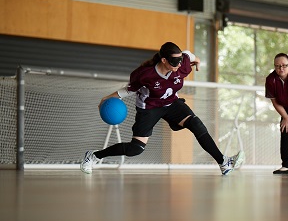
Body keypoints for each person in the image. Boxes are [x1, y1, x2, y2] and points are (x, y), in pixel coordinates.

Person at [81, 42, 244, 175]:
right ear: (164, 60)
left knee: (196, 124)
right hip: (149, 108)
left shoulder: (181, 64)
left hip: (171, 103)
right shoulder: (145, 75)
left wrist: (198, 60)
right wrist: (108, 98)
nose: (179, 64)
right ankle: (93, 156)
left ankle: (224, 162)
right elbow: (129, 90)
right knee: (135, 149)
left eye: (180, 60)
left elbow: (188, 54)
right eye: (174, 61)